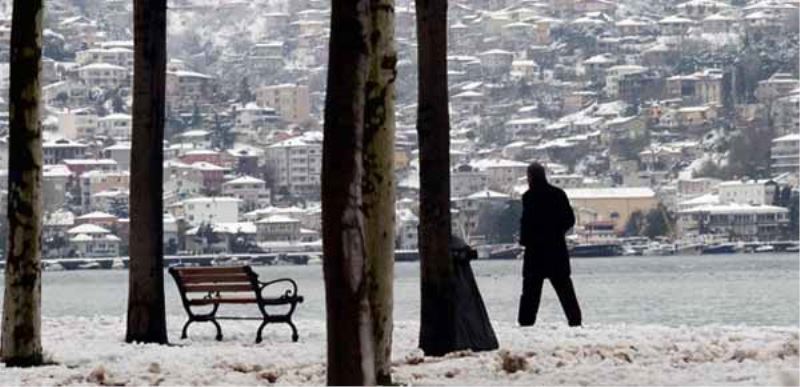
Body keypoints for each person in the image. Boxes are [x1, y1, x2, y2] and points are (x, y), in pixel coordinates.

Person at [518, 162, 582, 327]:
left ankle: (525, 323)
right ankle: (575, 321)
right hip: (556, 249)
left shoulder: (528, 197)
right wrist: (556, 232)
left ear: (530, 177)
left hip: (535, 251)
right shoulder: (558, 194)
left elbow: (526, 223)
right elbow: (569, 219)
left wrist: (526, 240)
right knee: (565, 289)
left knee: (530, 292)